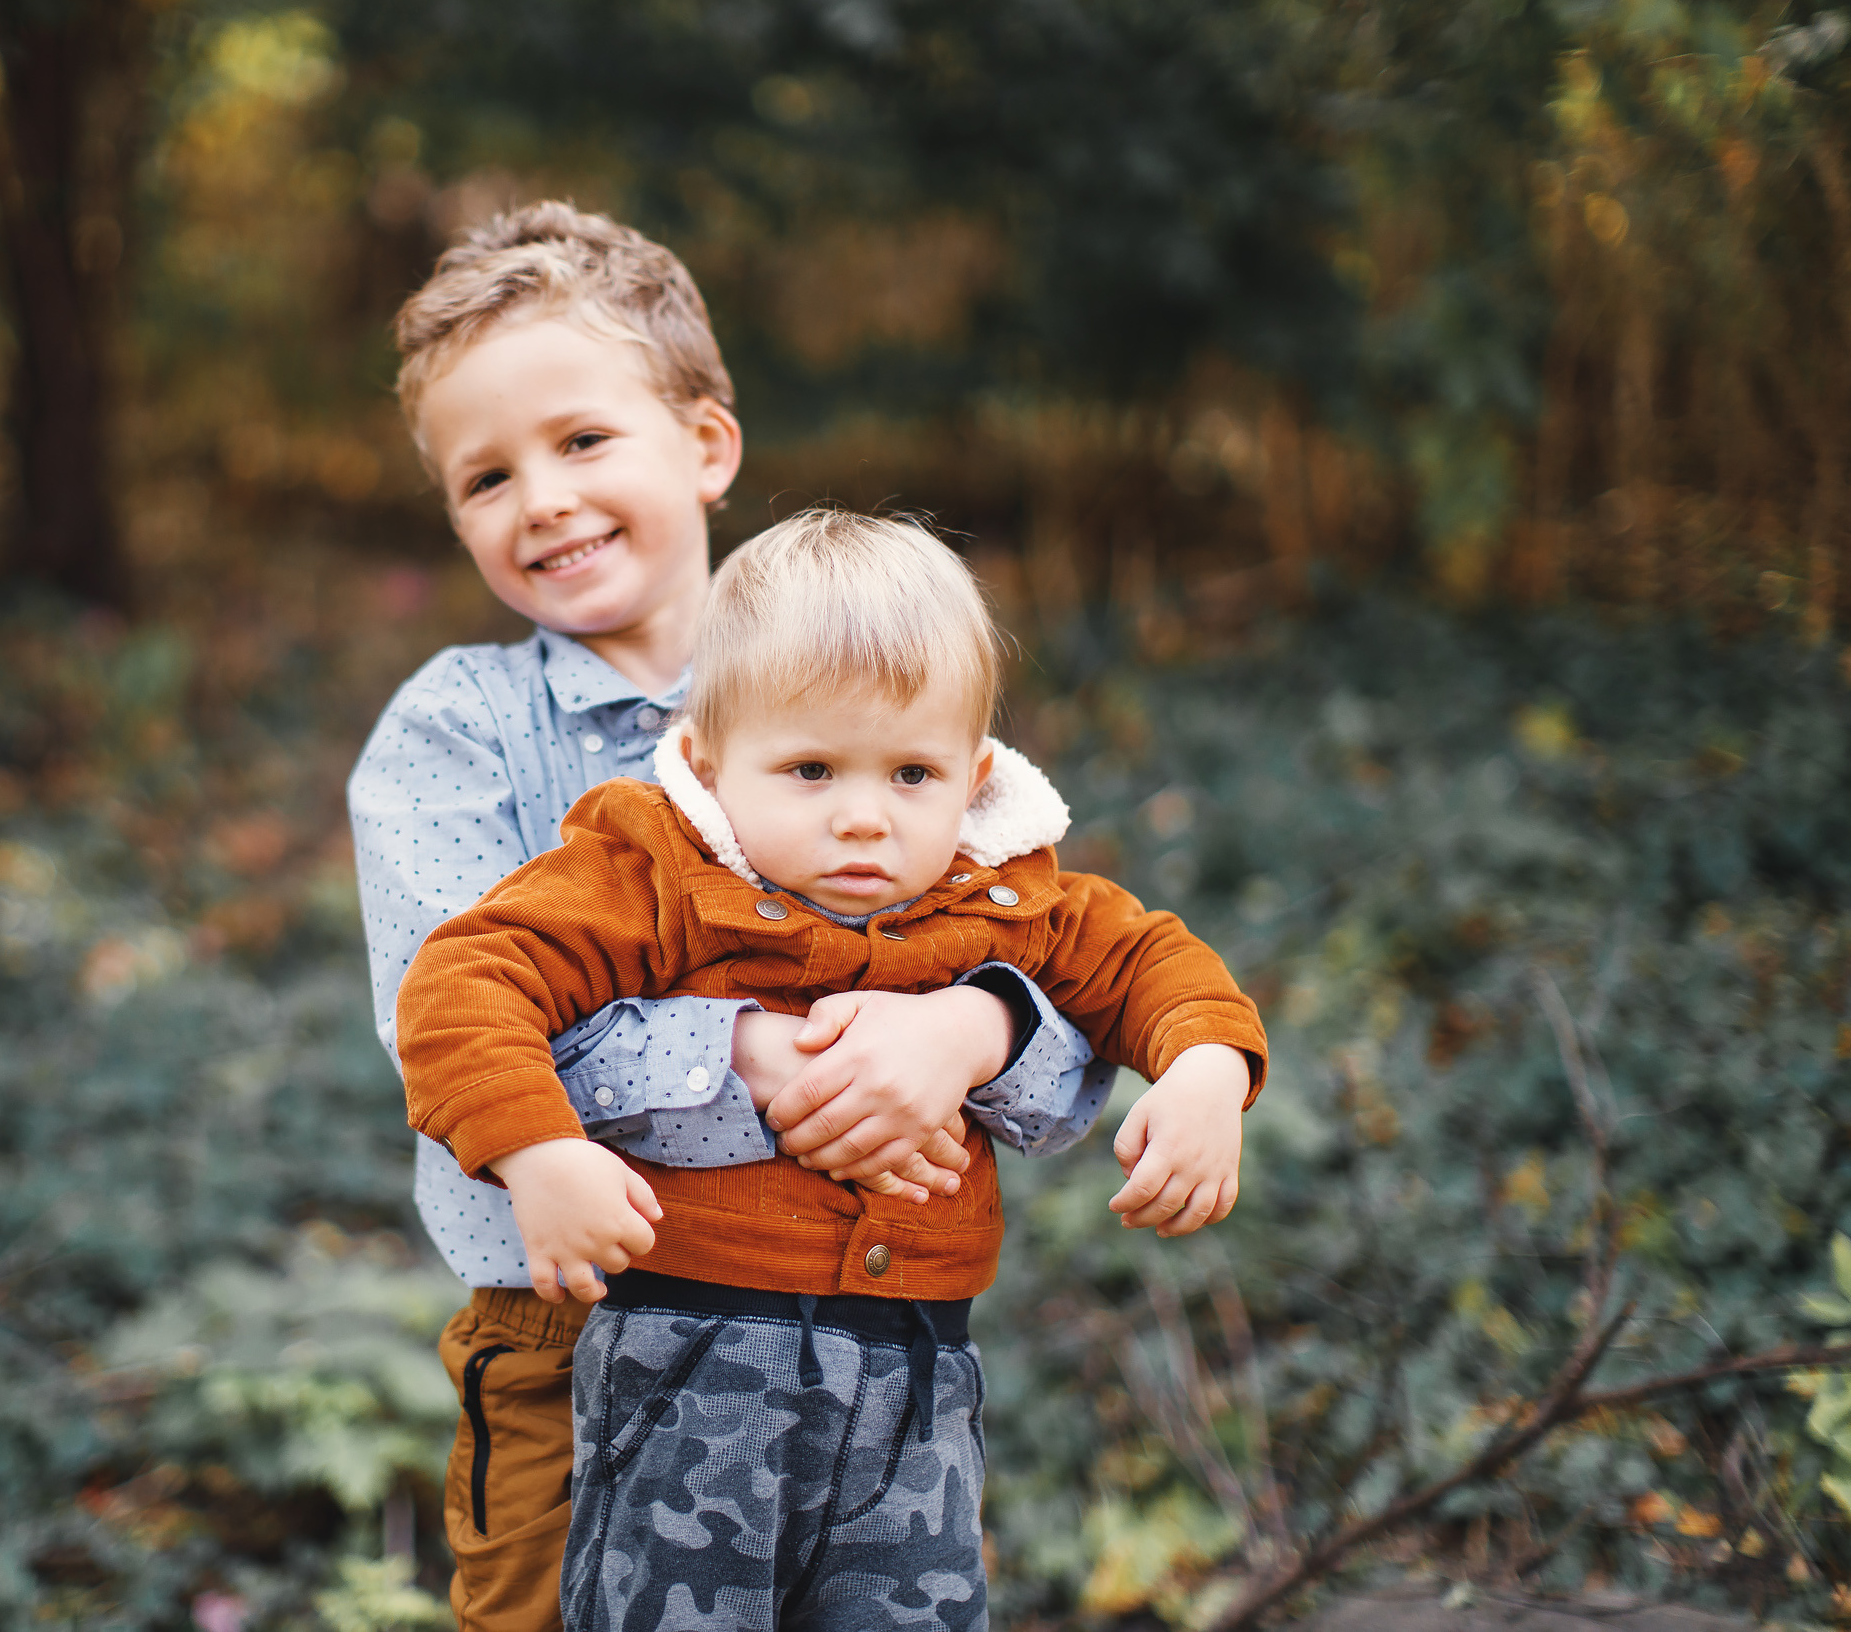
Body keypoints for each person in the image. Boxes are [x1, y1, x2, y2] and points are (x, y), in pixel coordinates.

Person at [348, 204, 1123, 1632]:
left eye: (582, 440)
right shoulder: (457, 735)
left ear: (706, 445)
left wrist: (967, 1026)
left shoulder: (858, 677)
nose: (543, 499)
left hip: (867, 1341)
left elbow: (1067, 992)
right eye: (486, 476)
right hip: (565, 1330)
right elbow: (445, 1026)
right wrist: (753, 1056)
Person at [397, 509, 1268, 1630]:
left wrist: (1201, 1069)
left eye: (912, 772)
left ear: (974, 774)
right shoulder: (657, 867)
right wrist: (536, 1148)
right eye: (810, 769)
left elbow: (1151, 959)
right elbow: (468, 975)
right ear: (711, 761)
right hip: (692, 1363)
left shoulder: (1002, 892)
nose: (864, 818)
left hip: (914, 1377)